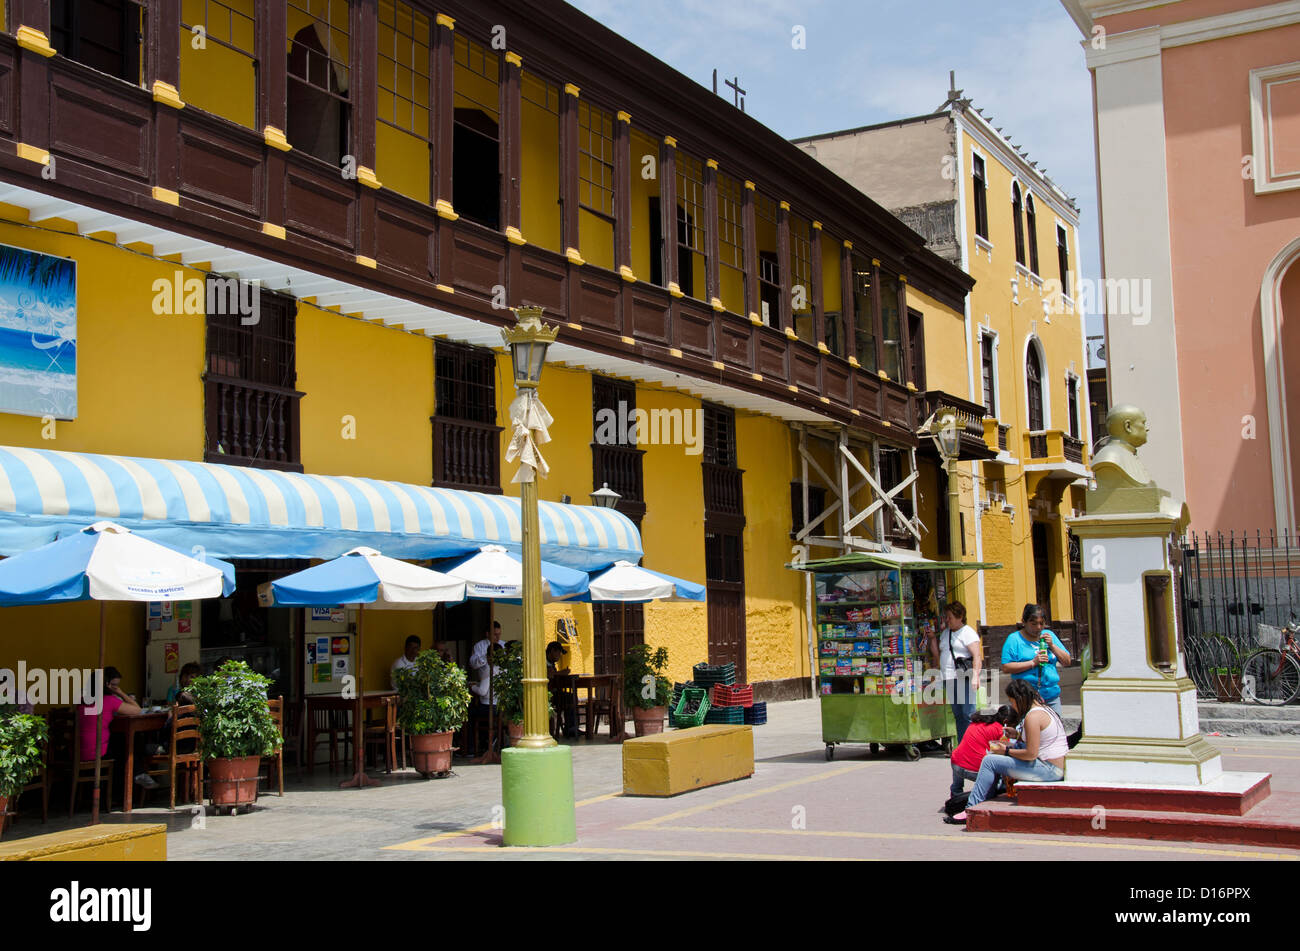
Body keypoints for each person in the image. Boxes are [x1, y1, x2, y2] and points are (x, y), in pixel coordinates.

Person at [951, 680, 1067, 823]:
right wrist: (1017, 735)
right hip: (1054, 767)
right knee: (998, 757)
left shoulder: (1033, 717)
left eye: (1012, 702)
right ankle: (984, 798)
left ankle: (971, 808)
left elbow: (1031, 754)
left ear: (1019, 699)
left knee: (989, 761)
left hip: (1049, 770)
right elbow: (1039, 740)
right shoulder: (1045, 709)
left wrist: (1005, 751)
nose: (1014, 707)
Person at [77, 666, 154, 789]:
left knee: (118, 739)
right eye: (113, 685)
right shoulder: (109, 700)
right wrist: (120, 693)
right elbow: (138, 710)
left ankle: (138, 772)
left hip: (78, 753)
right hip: (97, 753)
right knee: (125, 743)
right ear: (106, 685)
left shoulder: (81, 700)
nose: (115, 688)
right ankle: (136, 776)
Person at [924, 601, 981, 741]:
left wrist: (975, 676)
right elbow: (938, 654)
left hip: (963, 678)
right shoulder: (946, 633)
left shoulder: (968, 633)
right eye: (946, 617)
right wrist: (932, 639)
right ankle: (962, 744)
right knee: (958, 714)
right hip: (948, 679)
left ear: (960, 617)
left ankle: (972, 744)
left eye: (950, 617)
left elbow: (977, 656)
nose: (947, 620)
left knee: (968, 713)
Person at [1000, 603, 1071, 714]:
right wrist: (1033, 662)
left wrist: (1052, 645)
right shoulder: (1014, 639)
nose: (1038, 628)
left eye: (1041, 623)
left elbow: (1067, 661)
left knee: (1054, 724)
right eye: (1033, 624)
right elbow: (1006, 667)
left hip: (1051, 697)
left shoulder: (1049, 635)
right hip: (1026, 699)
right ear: (1024, 622)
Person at [948, 705, 1014, 798]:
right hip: (972, 770)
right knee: (995, 776)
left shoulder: (978, 721)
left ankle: (955, 794)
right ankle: (985, 796)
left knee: (961, 757)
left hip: (955, 763)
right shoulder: (1000, 730)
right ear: (1006, 722)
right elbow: (1004, 754)